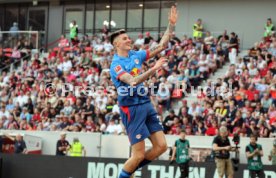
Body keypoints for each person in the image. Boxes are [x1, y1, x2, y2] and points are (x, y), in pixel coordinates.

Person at [109, 5, 178, 178]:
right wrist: (154, 68)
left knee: (161, 147)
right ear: (117, 43)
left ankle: (130, 170)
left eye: (128, 38)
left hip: (145, 104)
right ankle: (125, 174)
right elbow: (132, 81)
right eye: (125, 38)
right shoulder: (116, 65)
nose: (128, 40)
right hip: (131, 108)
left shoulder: (135, 55)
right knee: (138, 154)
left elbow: (162, 46)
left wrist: (171, 25)